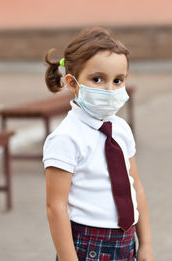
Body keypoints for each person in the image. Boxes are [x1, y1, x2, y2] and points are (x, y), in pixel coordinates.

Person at [43, 27, 154, 261]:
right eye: (97, 79)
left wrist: (146, 245)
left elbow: (136, 186)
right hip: (88, 246)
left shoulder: (121, 129)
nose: (110, 89)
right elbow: (56, 207)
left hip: (127, 242)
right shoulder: (66, 138)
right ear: (72, 83)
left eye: (118, 80)